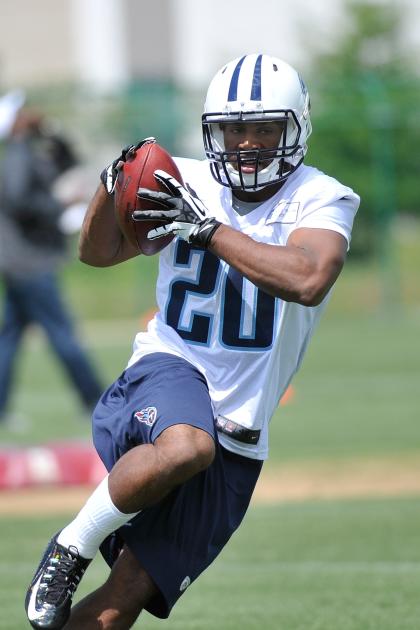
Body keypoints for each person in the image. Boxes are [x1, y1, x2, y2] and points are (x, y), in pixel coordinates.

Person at [25, 54, 360, 629]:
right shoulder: (185, 179)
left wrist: (208, 230)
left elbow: (307, 278)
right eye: (234, 129)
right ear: (213, 131)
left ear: (296, 129)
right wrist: (114, 184)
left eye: (263, 129)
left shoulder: (322, 198)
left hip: (243, 431)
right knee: (187, 446)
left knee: (120, 603)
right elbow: (97, 253)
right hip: (170, 366)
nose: (247, 144)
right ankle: (68, 548)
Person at [0, 102, 103, 428]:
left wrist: (53, 131)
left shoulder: (31, 150)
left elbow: (67, 161)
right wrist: (58, 204)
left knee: (10, 338)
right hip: (29, 262)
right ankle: (94, 400)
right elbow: (19, 200)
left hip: (22, 262)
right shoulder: (18, 155)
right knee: (61, 333)